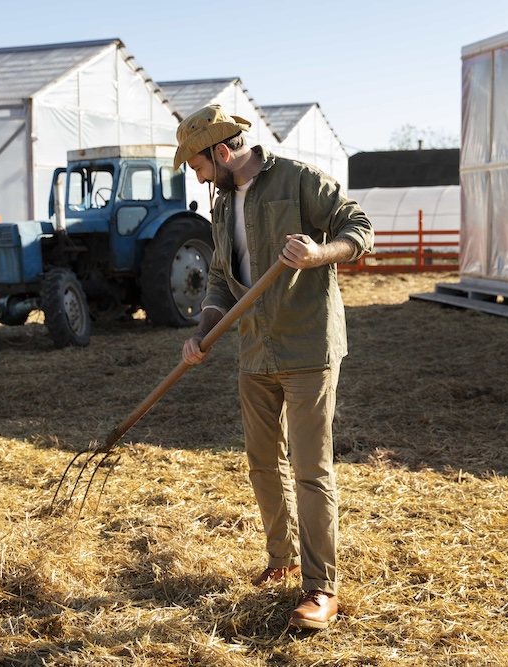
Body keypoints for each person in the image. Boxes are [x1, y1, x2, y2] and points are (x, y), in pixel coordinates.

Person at [174, 105, 374, 630]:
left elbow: (359, 227)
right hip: (254, 350)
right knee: (263, 463)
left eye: (196, 163)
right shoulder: (220, 206)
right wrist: (202, 333)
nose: (194, 174)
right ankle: (282, 559)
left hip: (307, 345)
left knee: (310, 470)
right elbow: (220, 276)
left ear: (221, 152)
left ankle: (321, 587)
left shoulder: (299, 181)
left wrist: (319, 252)